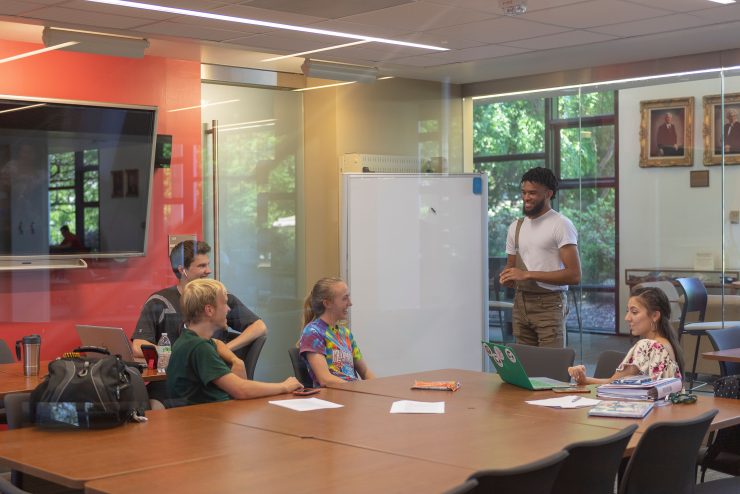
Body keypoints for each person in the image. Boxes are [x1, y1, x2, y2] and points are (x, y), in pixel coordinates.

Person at [167, 278, 301, 404]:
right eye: (224, 303)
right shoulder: (200, 348)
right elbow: (241, 389)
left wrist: (236, 360)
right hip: (205, 421)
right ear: (209, 310)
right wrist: (284, 386)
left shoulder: (189, 339)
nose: (228, 309)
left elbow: (217, 343)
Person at [131, 240, 266, 358]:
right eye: (202, 266)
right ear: (182, 270)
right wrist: (179, 354)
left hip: (211, 377)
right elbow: (138, 347)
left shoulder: (221, 298)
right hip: (171, 378)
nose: (208, 271)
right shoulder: (159, 302)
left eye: (208, 264)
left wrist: (224, 349)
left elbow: (259, 327)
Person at [499, 167, 580, 348]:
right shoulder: (515, 227)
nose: (526, 198)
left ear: (548, 194)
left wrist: (527, 275)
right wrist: (507, 277)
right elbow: (511, 266)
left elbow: (574, 275)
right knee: (525, 367)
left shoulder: (561, 224)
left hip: (549, 305)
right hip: (521, 303)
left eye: (533, 193)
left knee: (550, 369)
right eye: (524, 192)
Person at [568, 286, 684, 385]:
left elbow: (612, 383)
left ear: (655, 315)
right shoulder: (668, 344)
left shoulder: (647, 345)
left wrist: (584, 380)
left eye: (634, 312)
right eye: (627, 311)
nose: (627, 318)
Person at [299, 277, 375, 387]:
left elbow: (365, 371)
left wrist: (379, 388)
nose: (350, 303)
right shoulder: (313, 333)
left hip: (352, 394)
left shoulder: (346, 334)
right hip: (332, 398)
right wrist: (357, 388)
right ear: (327, 303)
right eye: (345, 298)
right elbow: (325, 379)